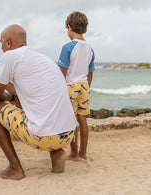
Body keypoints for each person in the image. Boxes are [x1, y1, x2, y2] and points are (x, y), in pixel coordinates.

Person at [0, 24, 77, 180]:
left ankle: (15, 168)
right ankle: (56, 152)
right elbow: (20, 93)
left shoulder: (9, 56)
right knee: (40, 109)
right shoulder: (42, 59)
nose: (1, 47)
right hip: (67, 135)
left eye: (1, 43)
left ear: (7, 42)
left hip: (45, 137)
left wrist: (8, 97)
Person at [58, 11, 95, 161]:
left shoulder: (67, 47)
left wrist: (59, 90)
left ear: (69, 27)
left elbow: (62, 72)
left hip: (70, 86)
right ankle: (83, 153)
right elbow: (90, 72)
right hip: (84, 86)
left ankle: (74, 154)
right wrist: (86, 87)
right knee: (82, 120)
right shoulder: (90, 49)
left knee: (71, 121)